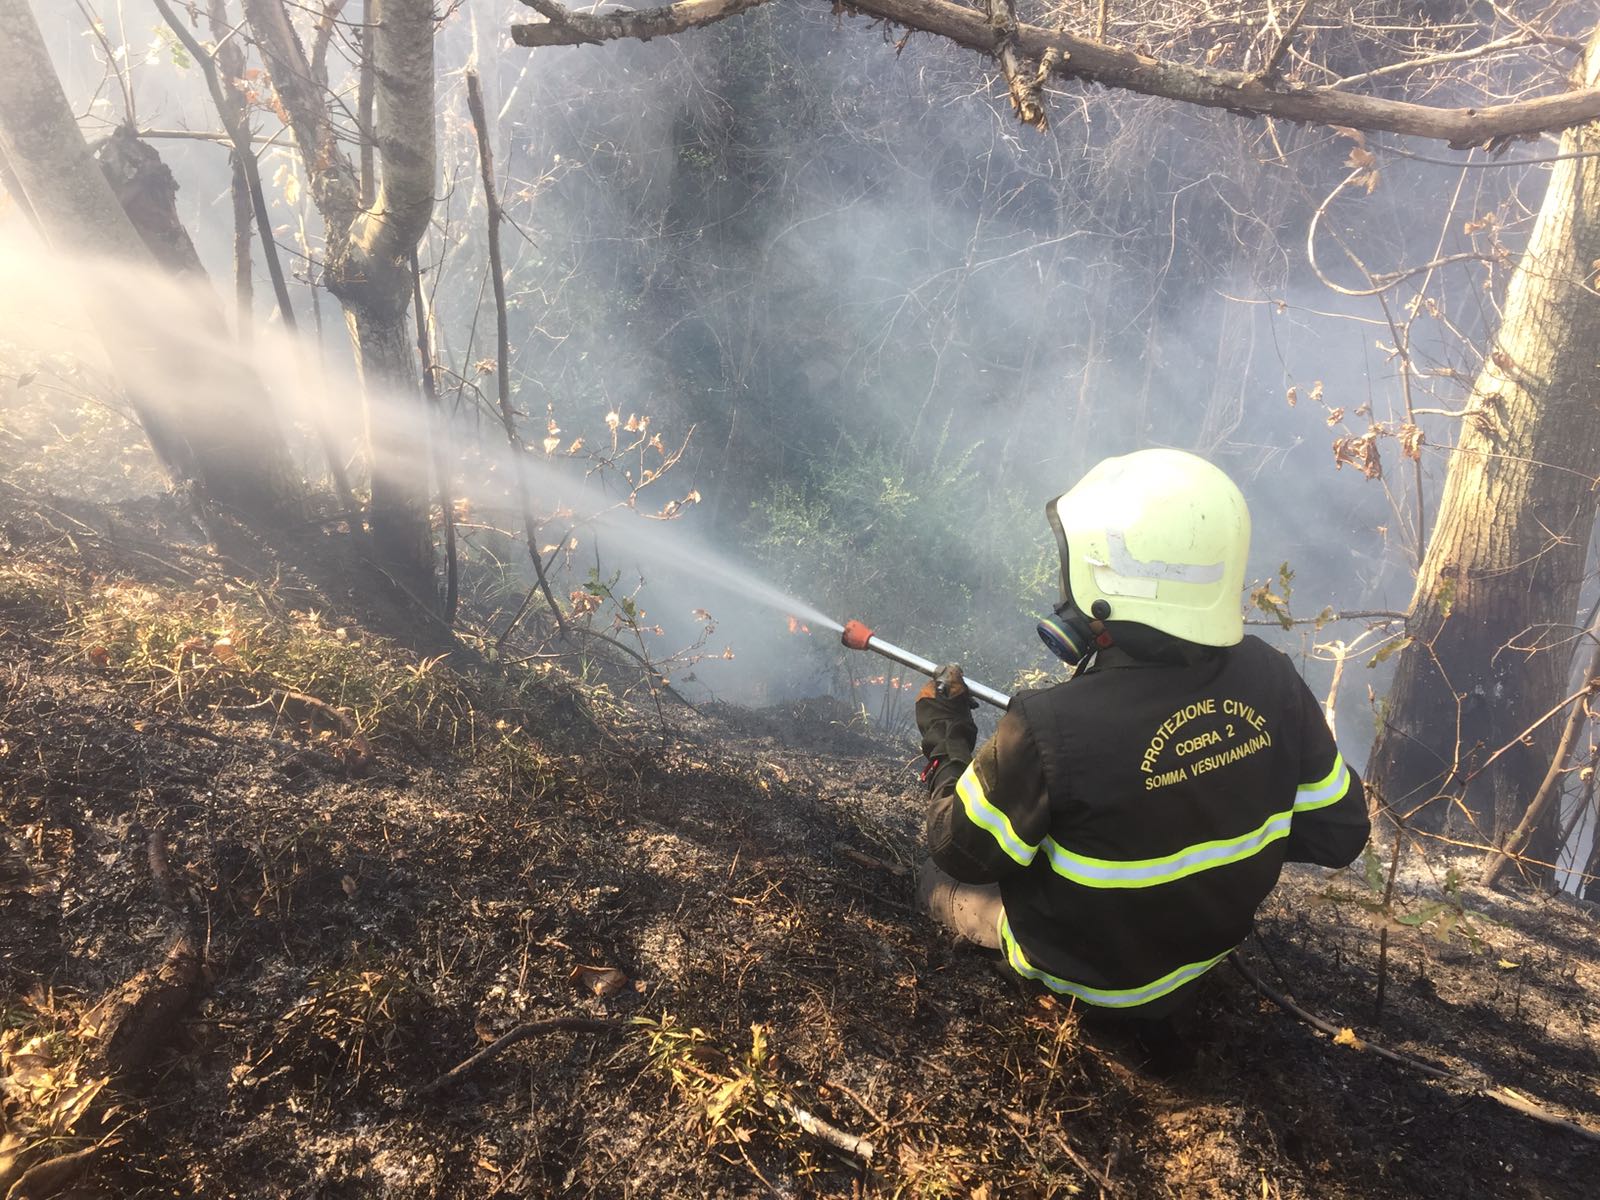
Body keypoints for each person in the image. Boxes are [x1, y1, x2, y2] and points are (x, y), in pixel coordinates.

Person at [914, 449, 1370, 1052]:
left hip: (1084, 983)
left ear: (1105, 588)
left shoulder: (1047, 724)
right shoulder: (1273, 678)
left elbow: (959, 850)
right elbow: (1338, 833)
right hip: (1197, 960)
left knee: (930, 876)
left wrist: (947, 736)